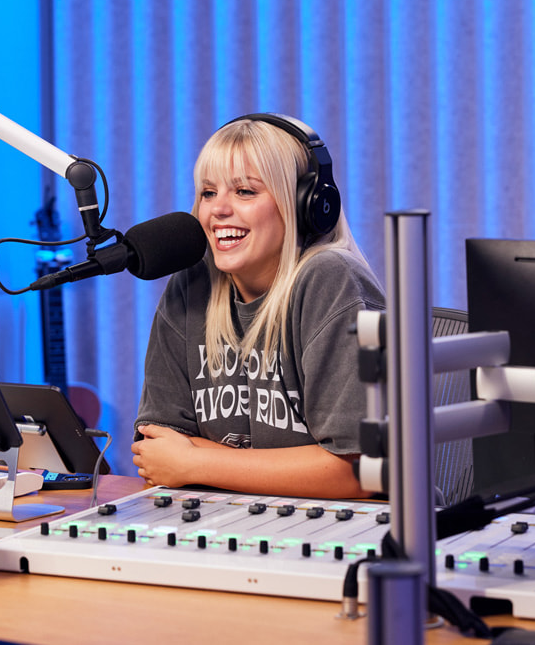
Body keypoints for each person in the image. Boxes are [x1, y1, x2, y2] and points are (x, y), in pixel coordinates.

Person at [131, 113, 384, 499]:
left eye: (245, 192)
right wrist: (297, 467)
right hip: (234, 523)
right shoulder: (192, 284)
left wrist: (196, 462)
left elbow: (360, 472)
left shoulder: (328, 279)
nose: (218, 210)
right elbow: (156, 454)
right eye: (208, 193)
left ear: (306, 206)